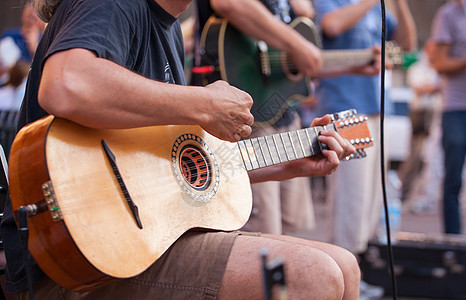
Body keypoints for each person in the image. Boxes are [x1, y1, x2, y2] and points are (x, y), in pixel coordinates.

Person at [0, 0, 362, 299]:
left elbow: (172, 170)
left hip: (142, 244)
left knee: (345, 265)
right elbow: (66, 84)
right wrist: (202, 102)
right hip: (75, 263)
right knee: (314, 275)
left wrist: (287, 163)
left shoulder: (170, 28)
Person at [191, 0, 381, 236]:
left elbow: (296, 62)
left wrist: (355, 65)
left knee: (291, 236)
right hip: (243, 118)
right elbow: (229, 2)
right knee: (262, 240)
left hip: (283, 116)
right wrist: (297, 46)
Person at [312, 0, 416, 297]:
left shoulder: (375, 9)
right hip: (346, 110)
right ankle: (340, 274)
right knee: (351, 195)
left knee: (370, 198)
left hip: (376, 109)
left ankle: (353, 272)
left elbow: (406, 44)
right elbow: (331, 25)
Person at [430, 0, 466, 234]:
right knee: (453, 179)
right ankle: (452, 242)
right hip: (458, 108)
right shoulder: (449, 14)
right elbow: (439, 64)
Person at [396, 39, 443, 213]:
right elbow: (420, 89)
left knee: (431, 157)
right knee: (414, 156)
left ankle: (424, 196)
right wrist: (436, 87)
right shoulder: (418, 68)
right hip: (420, 116)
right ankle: (402, 193)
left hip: (435, 115)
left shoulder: (437, 68)